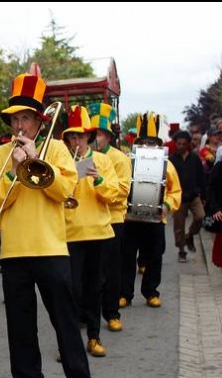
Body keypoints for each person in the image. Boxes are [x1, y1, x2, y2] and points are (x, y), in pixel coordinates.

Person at [0, 73, 100, 378]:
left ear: (37, 121)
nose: (19, 125)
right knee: (20, 329)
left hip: (51, 249)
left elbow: (64, 191)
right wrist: (15, 170)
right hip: (14, 252)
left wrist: (37, 160)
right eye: (14, 119)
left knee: (65, 324)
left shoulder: (57, 148)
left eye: (25, 119)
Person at [61, 105, 118, 357]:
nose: (76, 141)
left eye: (80, 136)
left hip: (98, 233)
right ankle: (71, 343)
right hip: (70, 234)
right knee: (71, 290)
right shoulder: (62, 161)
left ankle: (94, 337)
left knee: (94, 288)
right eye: (72, 136)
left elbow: (113, 196)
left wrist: (98, 179)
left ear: (88, 138)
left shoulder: (103, 161)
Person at [120, 112, 182, 309]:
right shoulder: (127, 163)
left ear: (158, 144)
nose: (148, 146)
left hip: (156, 220)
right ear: (138, 143)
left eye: (152, 142)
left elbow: (175, 190)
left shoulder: (168, 165)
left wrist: (167, 205)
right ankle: (125, 294)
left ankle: (151, 292)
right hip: (131, 219)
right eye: (144, 142)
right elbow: (121, 187)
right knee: (127, 257)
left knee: (155, 257)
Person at [89, 102, 132, 332]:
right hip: (88, 221)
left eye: (99, 133)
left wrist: (102, 190)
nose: (96, 138)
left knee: (111, 271)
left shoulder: (119, 158)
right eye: (92, 133)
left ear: (107, 136)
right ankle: (87, 313)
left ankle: (112, 313)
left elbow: (123, 190)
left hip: (112, 219)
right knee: (90, 273)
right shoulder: (82, 155)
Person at [169, 131, 206, 262]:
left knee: (200, 216)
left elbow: (201, 176)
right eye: (178, 144)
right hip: (179, 197)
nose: (180, 146)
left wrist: (203, 194)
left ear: (188, 144)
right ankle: (181, 250)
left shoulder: (195, 159)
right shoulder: (171, 160)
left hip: (194, 195)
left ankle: (190, 235)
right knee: (178, 226)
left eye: (183, 144)